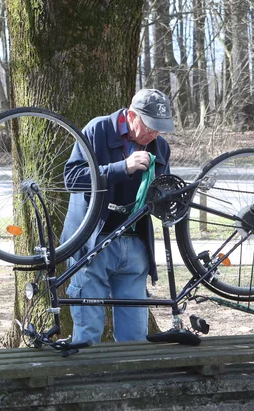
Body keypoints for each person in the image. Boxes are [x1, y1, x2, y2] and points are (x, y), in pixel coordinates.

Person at [61, 89, 175, 344]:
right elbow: (72, 179)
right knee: (87, 335)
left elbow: (160, 197)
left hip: (135, 245)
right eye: (150, 126)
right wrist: (122, 167)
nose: (153, 134)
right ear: (132, 115)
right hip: (92, 243)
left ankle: (131, 382)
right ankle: (86, 382)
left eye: (160, 129)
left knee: (135, 337)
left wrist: (170, 197)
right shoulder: (98, 130)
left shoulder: (160, 147)